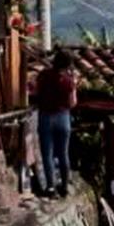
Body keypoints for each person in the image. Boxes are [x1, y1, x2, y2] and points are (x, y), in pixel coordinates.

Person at [34, 50, 78, 198]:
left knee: (47, 154)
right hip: (63, 117)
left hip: (46, 116)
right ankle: (64, 186)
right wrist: (74, 85)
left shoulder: (44, 75)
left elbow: (35, 91)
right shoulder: (68, 81)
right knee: (63, 153)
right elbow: (72, 103)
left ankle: (51, 187)